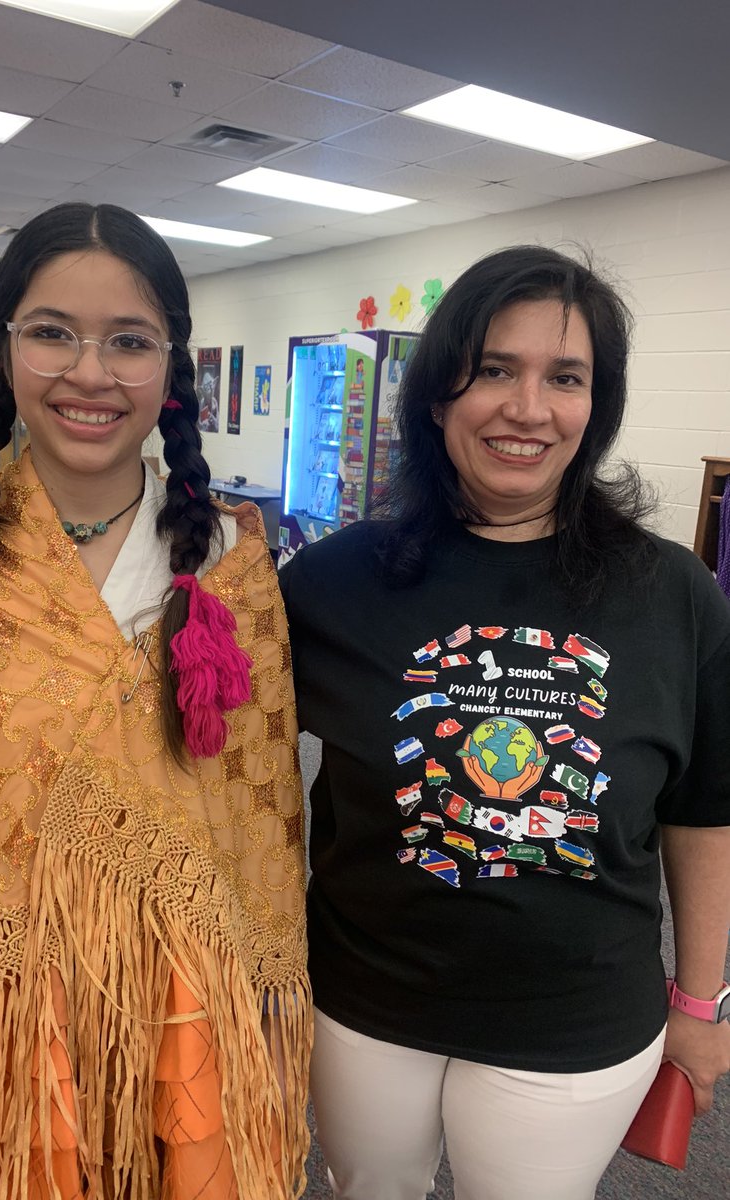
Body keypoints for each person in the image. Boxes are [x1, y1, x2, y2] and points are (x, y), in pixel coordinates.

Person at [0, 203, 311, 1199]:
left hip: (179, 1010)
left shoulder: (230, 564)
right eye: (52, 332)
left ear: (169, 368)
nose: (90, 373)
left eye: (128, 342)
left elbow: (257, 819)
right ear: (3, 351)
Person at [279, 245, 730, 1200]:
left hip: (573, 1020)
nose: (528, 408)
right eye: (494, 369)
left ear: (593, 409)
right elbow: (230, 770)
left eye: (564, 377)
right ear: (439, 395)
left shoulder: (675, 596)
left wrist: (700, 999)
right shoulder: (328, 584)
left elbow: (704, 812)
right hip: (363, 996)